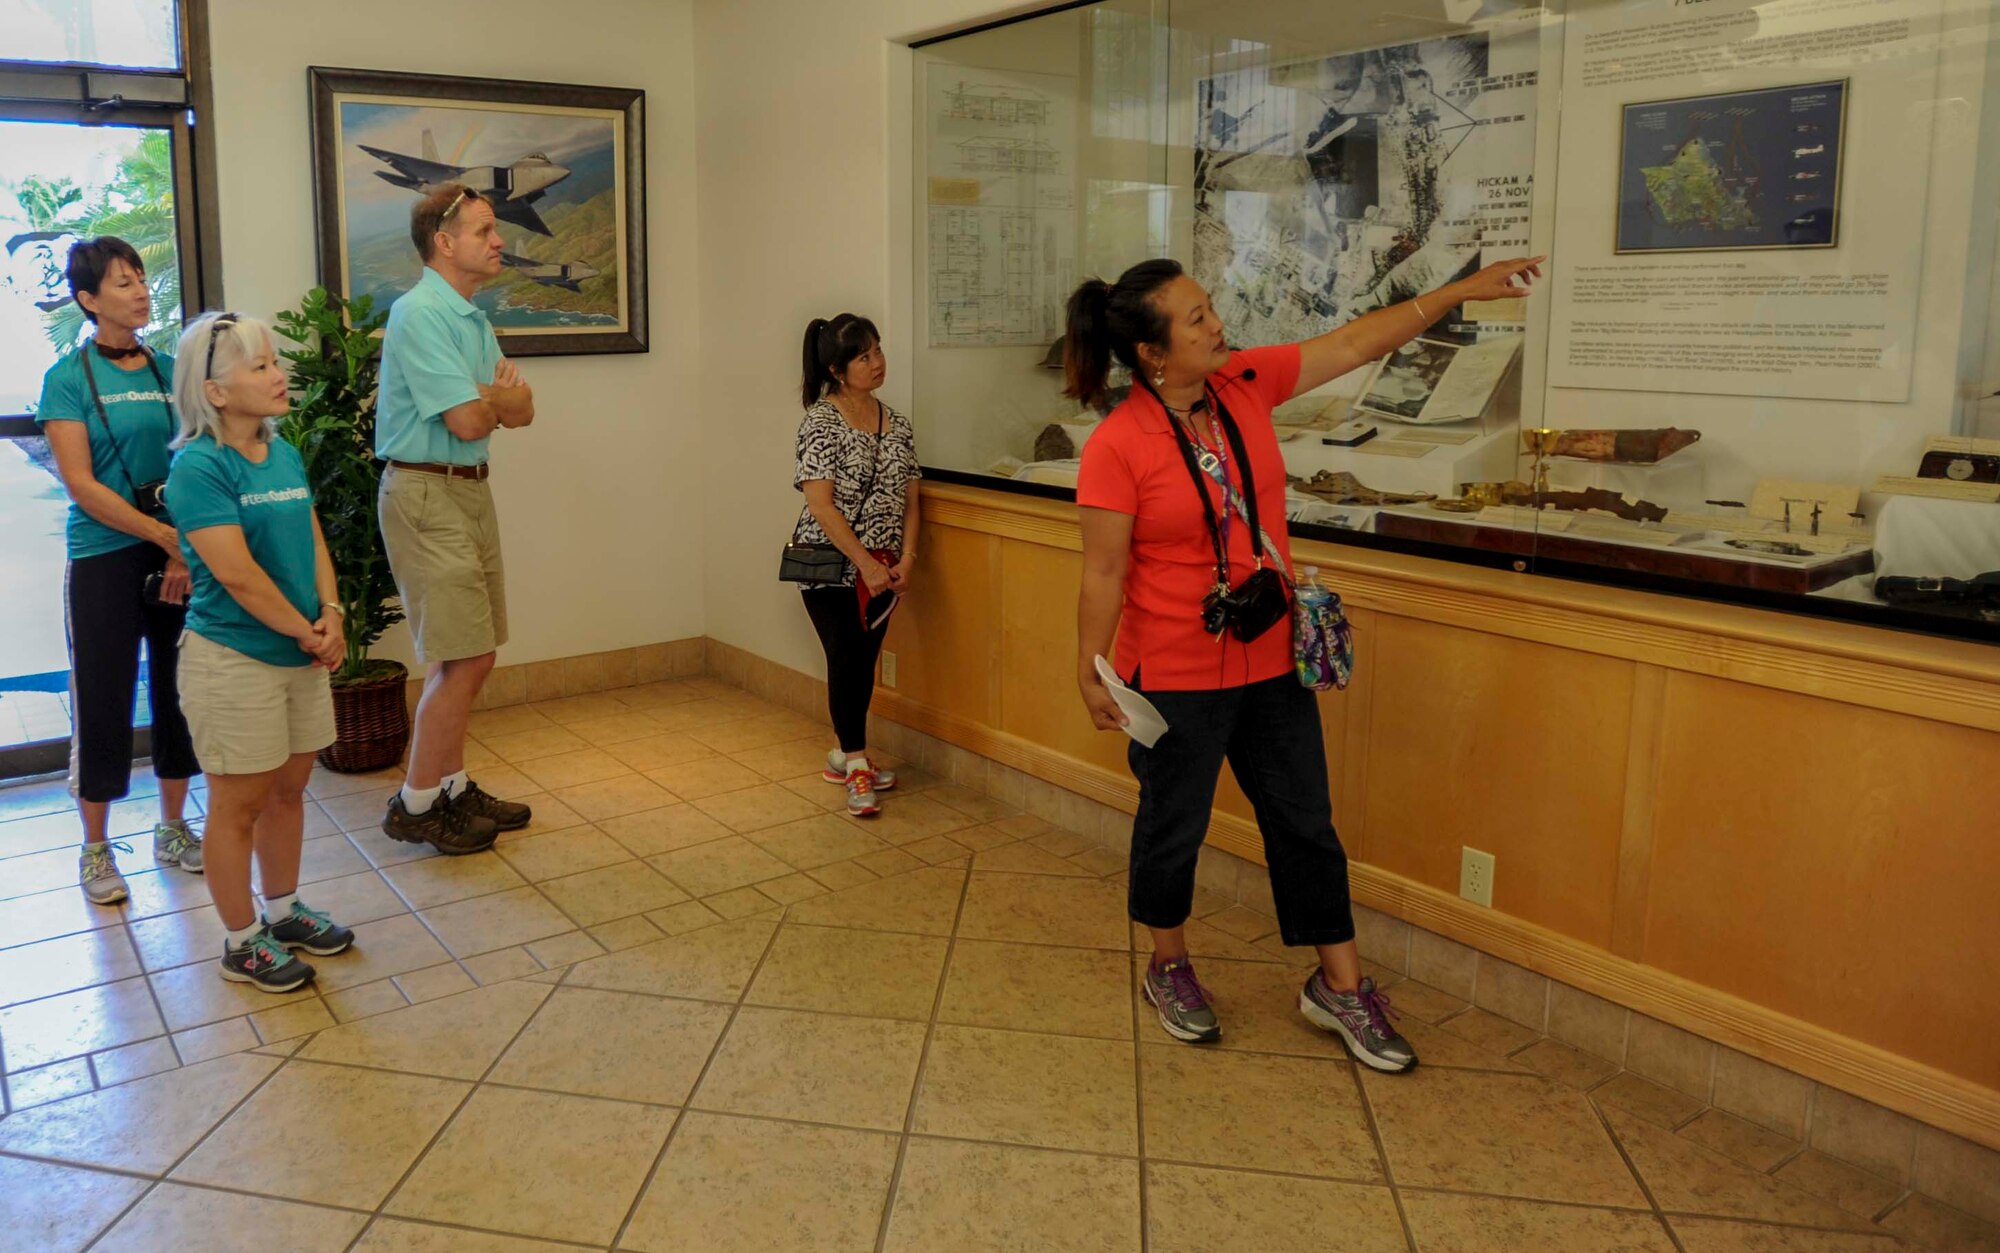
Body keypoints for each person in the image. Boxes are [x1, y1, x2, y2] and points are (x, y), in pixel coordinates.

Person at [1069, 254, 1542, 1069]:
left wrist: (1460, 292)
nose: (1217, 325)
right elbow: (1105, 570)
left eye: (1209, 309)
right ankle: (1169, 963)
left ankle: (1340, 986)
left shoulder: (1245, 383)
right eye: (1195, 319)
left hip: (1268, 656)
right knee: (1172, 824)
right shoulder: (1119, 443)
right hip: (1174, 669)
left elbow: (1357, 342)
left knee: (1304, 822)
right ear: (1152, 354)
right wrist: (1090, 665)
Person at [165, 313, 356, 991]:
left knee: (288, 791)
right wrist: (306, 632)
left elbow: (312, 542)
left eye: (275, 361)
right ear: (215, 392)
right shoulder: (197, 468)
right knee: (237, 802)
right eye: (259, 367)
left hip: (300, 652)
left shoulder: (283, 451)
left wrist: (330, 614)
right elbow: (239, 575)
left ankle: (283, 910)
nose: (279, 376)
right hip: (234, 659)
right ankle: (242, 940)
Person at [35, 237, 203, 905]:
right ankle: (96, 848)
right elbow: (81, 483)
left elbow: (192, 462)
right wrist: (162, 535)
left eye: (141, 278)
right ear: (88, 298)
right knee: (103, 698)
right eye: (123, 281)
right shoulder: (67, 378)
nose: (141, 290)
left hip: (174, 554)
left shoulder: (168, 371)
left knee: (178, 688)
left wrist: (176, 549)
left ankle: (173, 828)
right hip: (102, 555)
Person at [374, 184, 536, 853]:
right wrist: (495, 397)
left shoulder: (469, 315)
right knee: (462, 654)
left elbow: (522, 410)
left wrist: (495, 399)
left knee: (477, 648)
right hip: (424, 491)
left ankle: (451, 783)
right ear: (445, 242)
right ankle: (415, 803)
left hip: (468, 488)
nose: (500, 241)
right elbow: (475, 416)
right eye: (485, 230)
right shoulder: (419, 314)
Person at [793, 313, 922, 817]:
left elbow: (913, 500)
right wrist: (864, 563)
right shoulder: (820, 421)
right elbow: (821, 505)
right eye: (864, 356)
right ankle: (856, 763)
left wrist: (907, 559)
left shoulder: (899, 424)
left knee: (864, 664)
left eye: (878, 351)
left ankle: (845, 757)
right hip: (827, 566)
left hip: (886, 568)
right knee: (845, 657)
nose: (878, 362)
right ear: (838, 369)